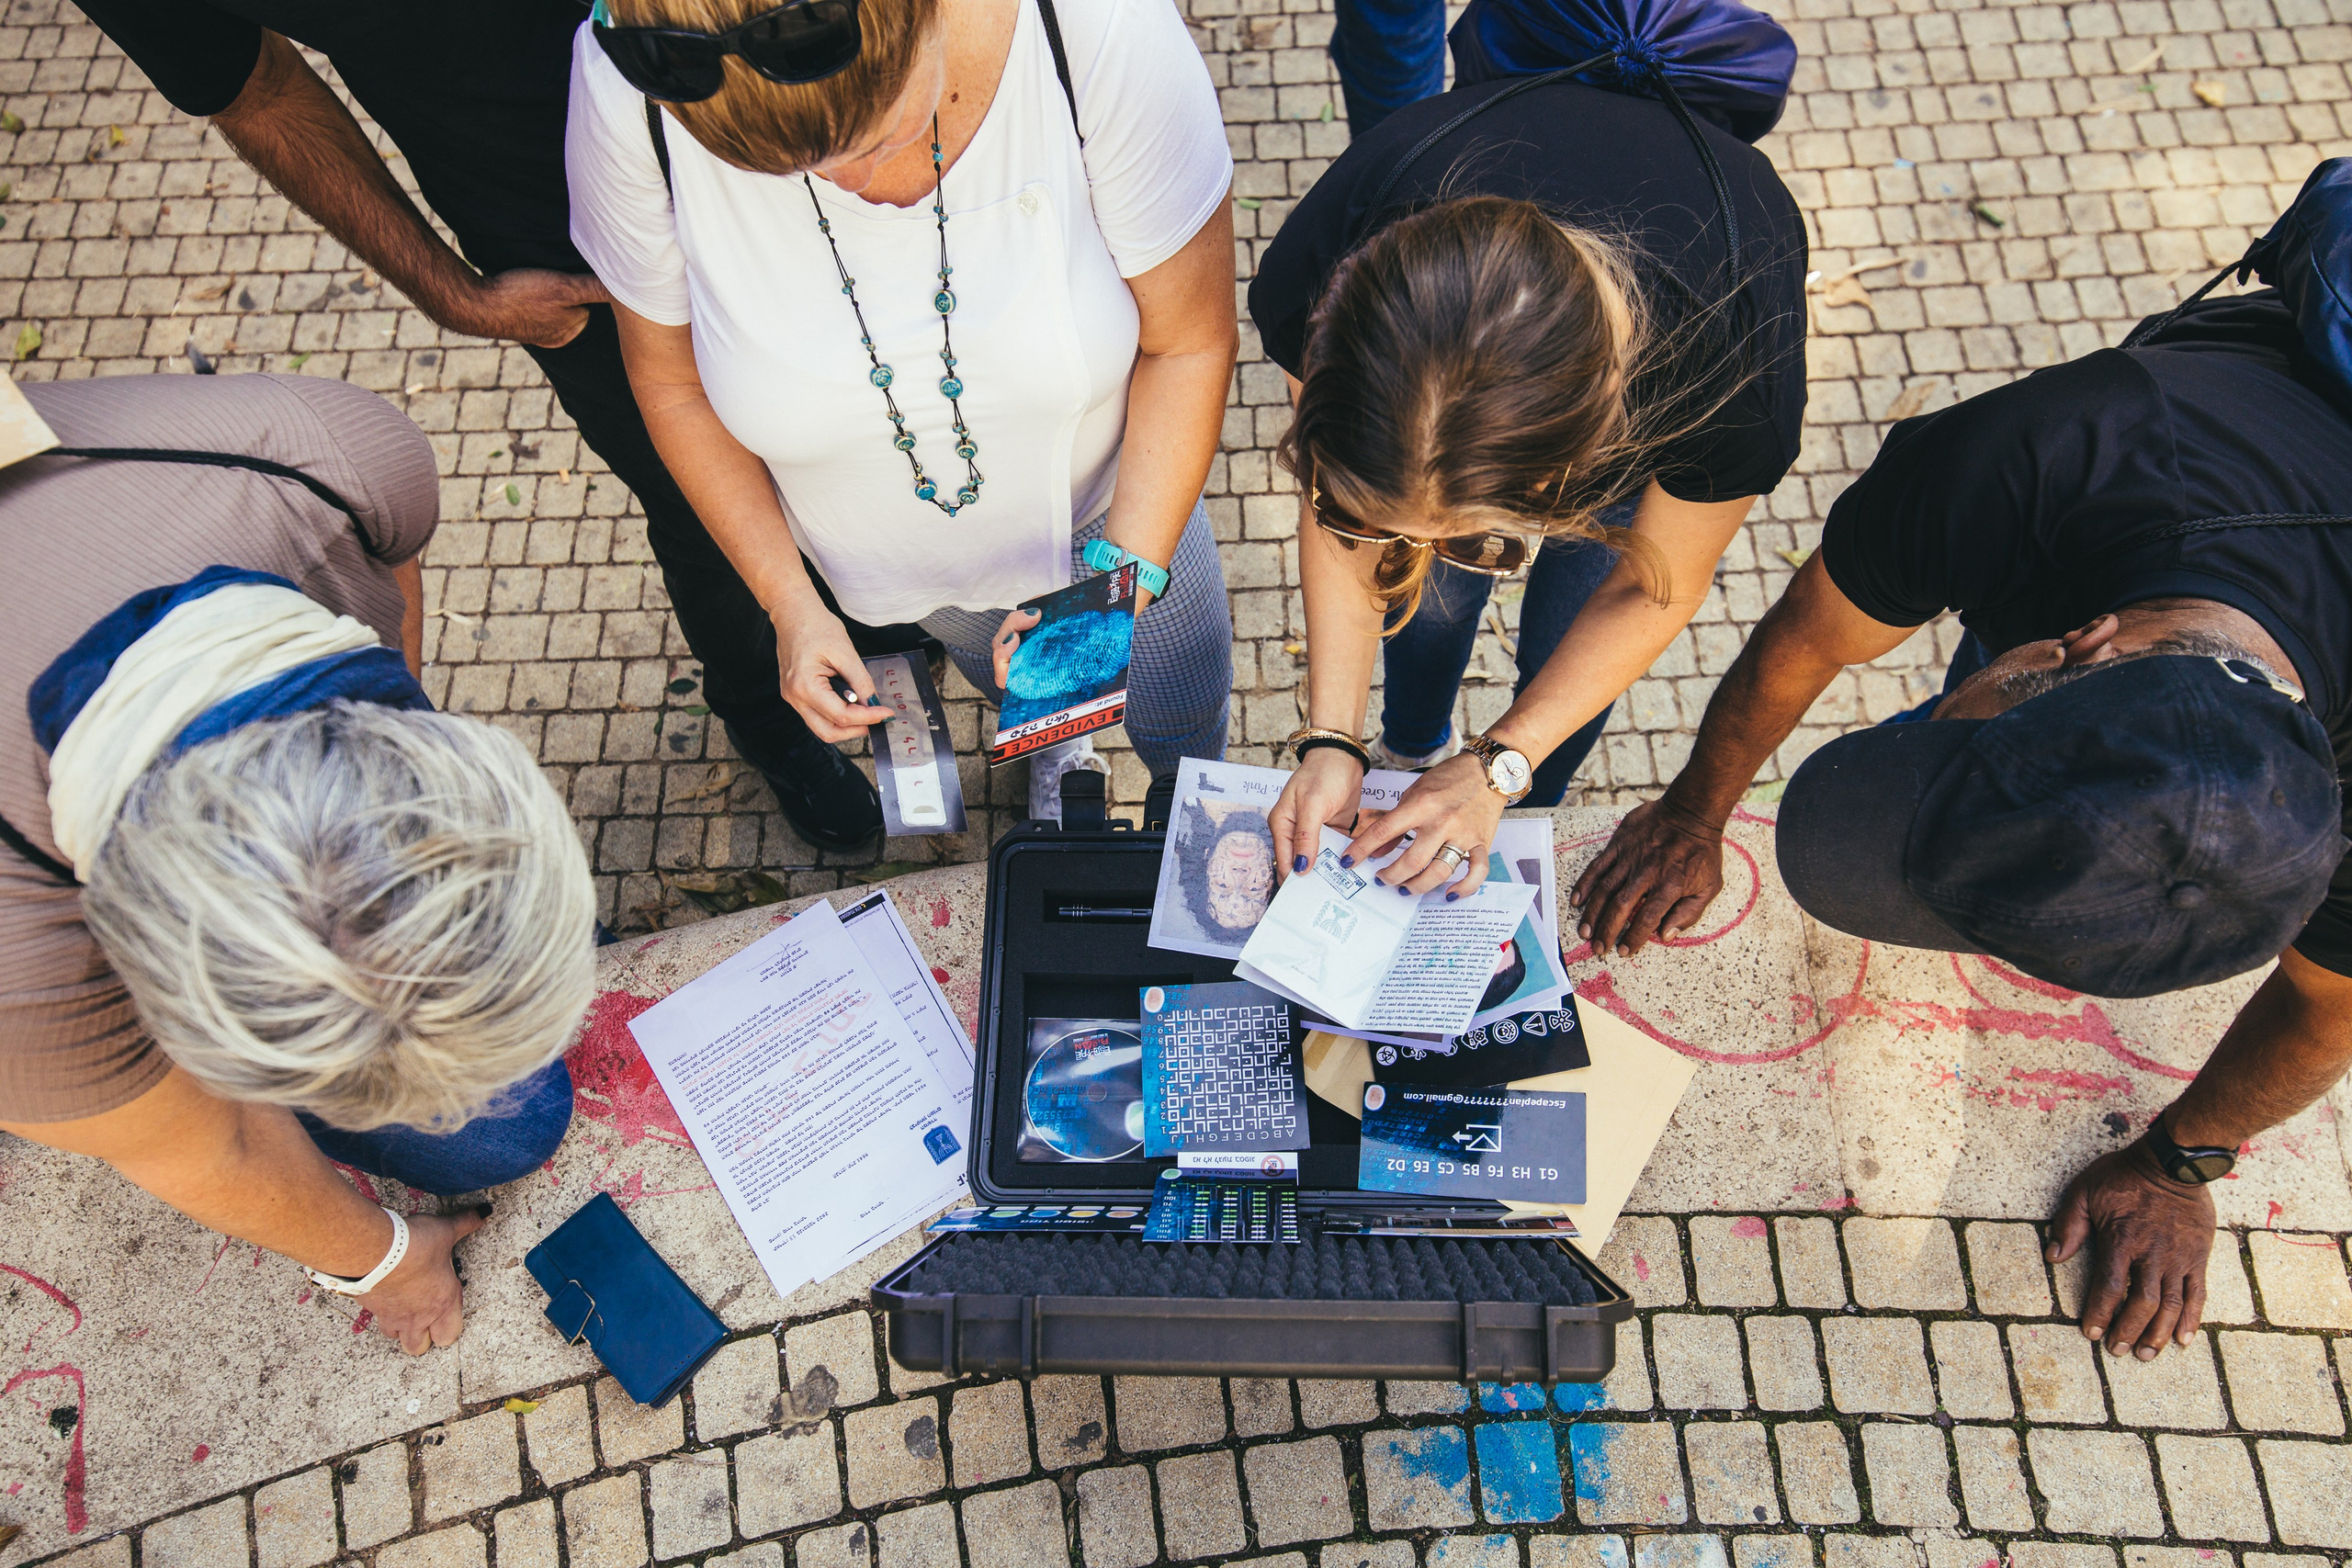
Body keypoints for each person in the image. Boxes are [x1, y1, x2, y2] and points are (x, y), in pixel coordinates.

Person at [1574, 288, 2352, 1361]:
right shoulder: (2041, 457)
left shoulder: (2317, 793)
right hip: (2231, 409)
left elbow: (2328, 1012)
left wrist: (2179, 1166)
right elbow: (1807, 637)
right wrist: (1692, 810)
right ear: (2070, 645)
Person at [76, 0, 893, 851]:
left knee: (859, 389)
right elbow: (256, 89)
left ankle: (863, 599)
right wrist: (448, 291)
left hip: (799, 111)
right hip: (549, 217)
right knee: (692, 493)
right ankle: (764, 712)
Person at [0, 374, 598, 1357]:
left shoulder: (340, 460)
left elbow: (397, 646)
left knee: (501, 1115)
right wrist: (387, 1262)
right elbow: (215, 1148)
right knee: (504, 1132)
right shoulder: (25, 996)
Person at [566, 0, 1239, 820]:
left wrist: (1120, 584)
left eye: (879, 133)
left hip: (1121, 508)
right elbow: (671, 384)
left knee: (1182, 706)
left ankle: (1194, 801)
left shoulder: (1096, 28)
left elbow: (1191, 342)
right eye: (786, 170)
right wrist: (791, 605)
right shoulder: (626, 91)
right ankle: (1060, 740)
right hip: (912, 567)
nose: (848, 182)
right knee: (1006, 677)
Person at [1251, 50, 1806, 895]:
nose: (1415, 551)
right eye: (1390, 523)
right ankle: (1411, 741)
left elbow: (1653, 586)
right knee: (1428, 609)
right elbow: (1343, 512)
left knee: (1569, 633)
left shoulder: (1730, 369)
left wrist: (1501, 765)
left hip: (1666, 381)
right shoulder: (1324, 260)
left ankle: (1520, 797)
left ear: (1566, 474)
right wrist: (1335, 738)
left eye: (1475, 540)